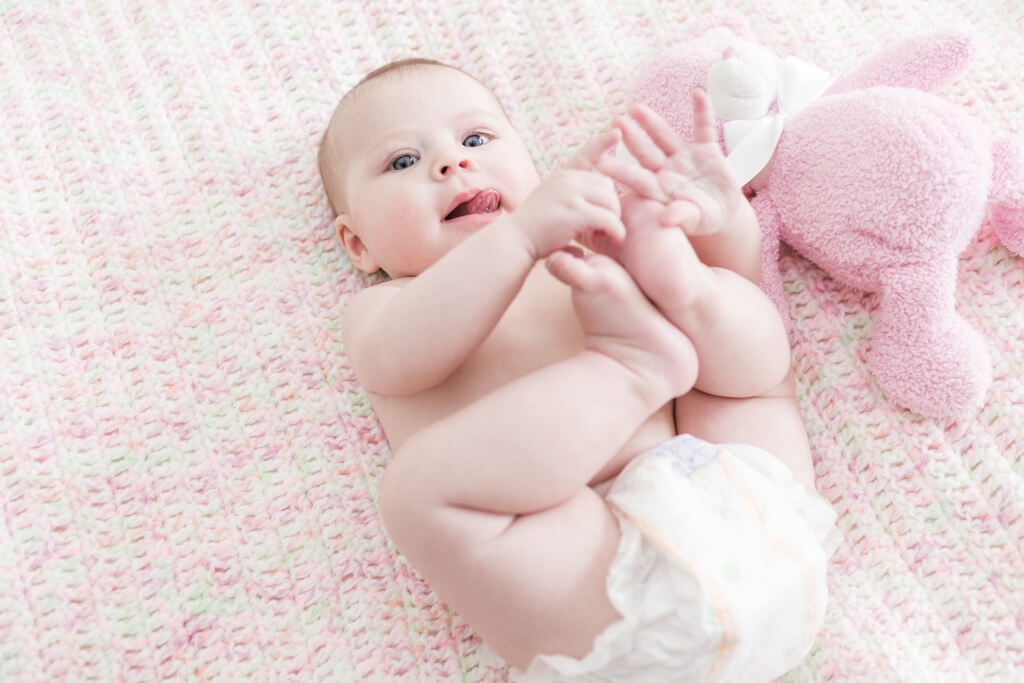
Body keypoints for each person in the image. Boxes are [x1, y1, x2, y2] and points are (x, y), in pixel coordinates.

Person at [318, 57, 839, 682]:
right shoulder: (388, 306)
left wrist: (717, 228)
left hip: (752, 519)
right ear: (358, 244)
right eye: (403, 160)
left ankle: (681, 298)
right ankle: (632, 367)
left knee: (743, 360)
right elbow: (398, 356)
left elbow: (745, 339)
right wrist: (518, 239)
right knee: (415, 490)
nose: (452, 162)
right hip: (600, 579)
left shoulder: (589, 245)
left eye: (476, 139)